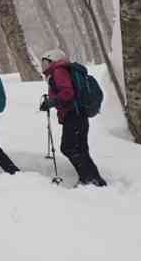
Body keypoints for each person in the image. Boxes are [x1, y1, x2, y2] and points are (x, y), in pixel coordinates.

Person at [39, 49, 107, 187]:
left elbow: (67, 93)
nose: (44, 66)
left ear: (54, 60)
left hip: (73, 115)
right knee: (81, 149)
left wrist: (51, 102)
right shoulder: (63, 70)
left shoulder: (58, 71)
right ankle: (96, 180)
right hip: (79, 114)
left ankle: (87, 179)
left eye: (46, 62)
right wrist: (52, 102)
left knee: (68, 147)